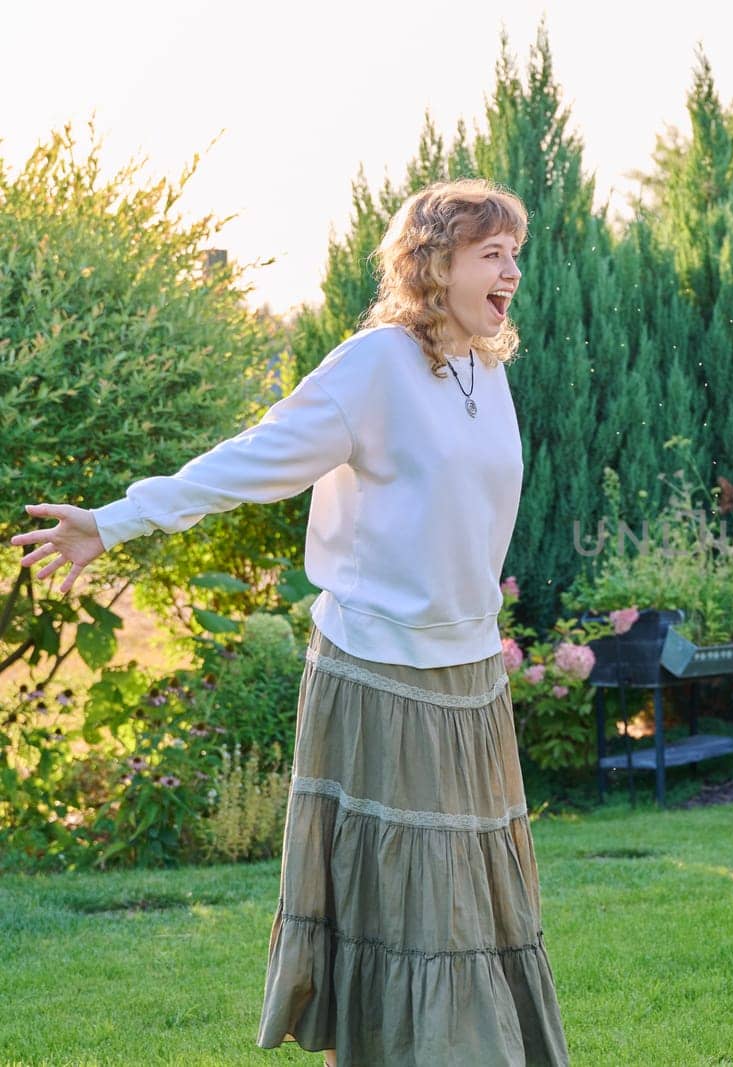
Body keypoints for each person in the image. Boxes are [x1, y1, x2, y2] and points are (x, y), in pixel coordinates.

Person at [11, 178, 569, 1067]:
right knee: (411, 903)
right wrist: (113, 520)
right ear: (434, 264)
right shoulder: (374, 365)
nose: (510, 273)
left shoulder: (485, 367)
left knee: (467, 898)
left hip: (469, 675)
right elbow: (253, 460)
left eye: (515, 256)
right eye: (490, 254)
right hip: (380, 670)